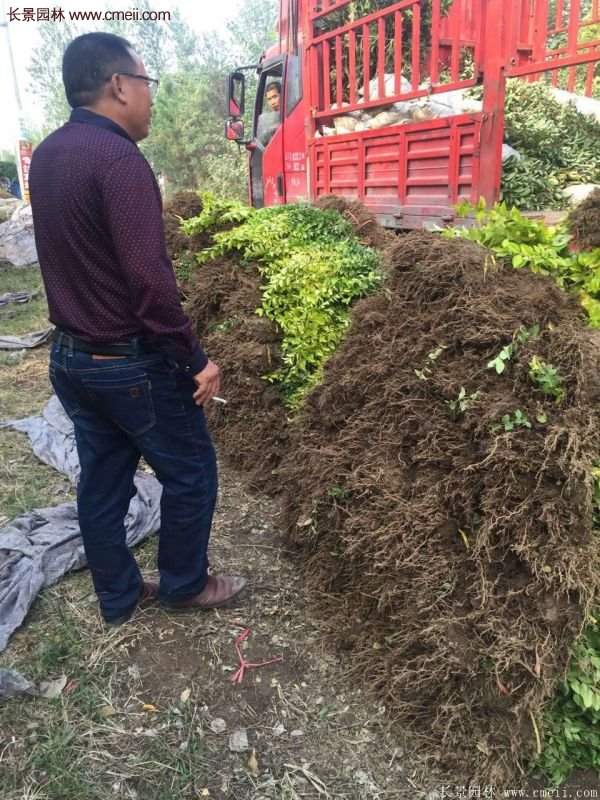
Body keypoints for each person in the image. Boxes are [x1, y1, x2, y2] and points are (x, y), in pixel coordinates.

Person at [28, 32, 246, 625]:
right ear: (119, 85)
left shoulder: (48, 155)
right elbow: (149, 282)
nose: (150, 98)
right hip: (129, 364)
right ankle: (184, 584)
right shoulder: (119, 159)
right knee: (191, 472)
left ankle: (119, 596)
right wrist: (194, 357)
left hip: (72, 360)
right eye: (147, 84)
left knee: (102, 482)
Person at [257, 80, 282, 146]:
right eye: (269, 99)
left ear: (282, 95)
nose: (272, 102)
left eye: (275, 97)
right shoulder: (266, 120)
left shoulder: (292, 114)